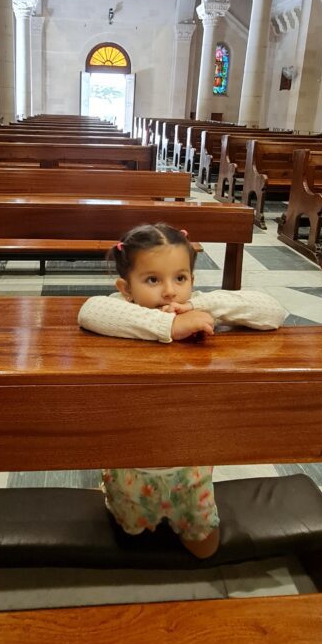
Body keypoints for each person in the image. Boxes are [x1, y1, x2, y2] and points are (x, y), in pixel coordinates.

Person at [78, 223, 286, 558]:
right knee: (131, 538)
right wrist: (170, 327)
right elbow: (90, 311)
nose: (170, 292)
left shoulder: (196, 305)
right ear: (125, 286)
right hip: (132, 465)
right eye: (152, 280)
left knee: (204, 548)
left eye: (180, 278)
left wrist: (205, 309)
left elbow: (272, 311)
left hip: (191, 465)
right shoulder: (121, 307)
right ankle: (115, 496)